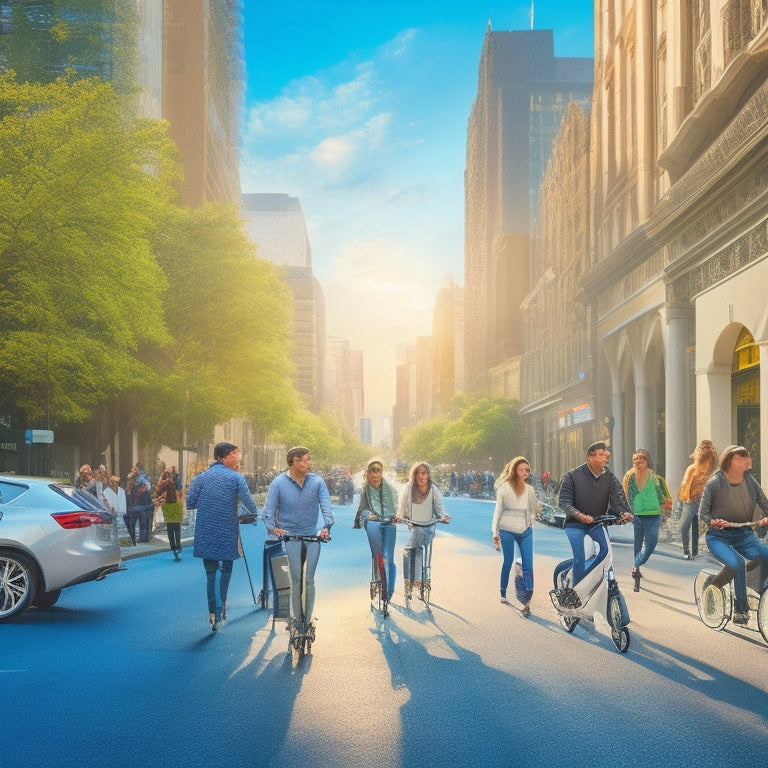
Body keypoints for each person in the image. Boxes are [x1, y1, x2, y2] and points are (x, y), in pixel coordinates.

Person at [187, 442, 260, 631]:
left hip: (205, 532)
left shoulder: (200, 478)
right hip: (227, 530)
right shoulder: (236, 478)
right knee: (225, 569)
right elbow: (250, 505)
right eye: (236, 454)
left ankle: (213, 612)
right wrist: (255, 516)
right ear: (225, 456)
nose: (238, 457)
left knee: (211, 572)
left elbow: (190, 502)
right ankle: (222, 609)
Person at [262, 446, 334, 630]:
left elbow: (326, 506)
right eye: (306, 459)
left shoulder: (317, 482)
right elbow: (268, 512)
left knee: (309, 579)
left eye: (309, 459)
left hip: (312, 536)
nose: (309, 463)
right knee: (295, 579)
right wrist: (274, 529)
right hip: (290, 537)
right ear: (295, 461)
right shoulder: (278, 483)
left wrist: (327, 526)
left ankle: (308, 618)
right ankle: (295, 618)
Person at [698, 445, 768, 624]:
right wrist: (711, 521)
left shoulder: (750, 481)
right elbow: (703, 512)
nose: (745, 460)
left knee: (765, 554)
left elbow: (764, 503)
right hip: (718, 537)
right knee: (736, 563)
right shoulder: (715, 482)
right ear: (729, 460)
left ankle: (758, 591)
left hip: (744, 534)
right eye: (739, 457)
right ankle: (741, 608)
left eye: (746, 457)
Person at [558, 441, 633, 590]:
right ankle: (576, 592)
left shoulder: (609, 477)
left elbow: (619, 500)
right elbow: (564, 502)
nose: (604, 459)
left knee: (605, 554)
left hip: (597, 524)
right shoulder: (572, 476)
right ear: (589, 457)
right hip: (575, 525)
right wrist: (579, 515)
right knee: (580, 558)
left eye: (605, 456)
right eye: (600, 455)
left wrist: (625, 513)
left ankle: (589, 578)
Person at [491, 456, 541, 615]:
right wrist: (495, 532)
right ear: (514, 471)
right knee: (508, 560)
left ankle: (526, 601)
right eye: (522, 470)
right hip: (506, 529)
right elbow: (498, 511)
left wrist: (535, 512)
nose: (526, 472)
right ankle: (503, 591)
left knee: (528, 565)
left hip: (525, 530)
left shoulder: (530, 489)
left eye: (527, 470)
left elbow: (532, 509)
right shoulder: (504, 489)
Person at [622, 449, 672, 592]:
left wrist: (667, 511)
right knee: (637, 543)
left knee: (652, 542)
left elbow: (666, 498)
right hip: (637, 515)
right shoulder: (629, 477)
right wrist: (626, 512)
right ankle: (636, 569)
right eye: (635, 459)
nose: (638, 462)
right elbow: (625, 495)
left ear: (647, 462)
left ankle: (637, 563)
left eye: (641, 459)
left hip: (654, 515)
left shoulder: (656, 479)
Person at [398, 461, 450, 592]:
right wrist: (400, 518)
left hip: (429, 525)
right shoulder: (408, 489)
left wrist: (443, 517)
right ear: (414, 475)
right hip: (414, 525)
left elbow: (439, 508)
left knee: (418, 547)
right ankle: (410, 580)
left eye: (424, 473)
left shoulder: (434, 489)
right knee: (409, 551)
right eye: (419, 473)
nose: (422, 476)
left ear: (428, 475)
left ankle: (420, 579)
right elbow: (402, 508)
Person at [354, 458, 399, 601]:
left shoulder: (390, 489)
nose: (375, 475)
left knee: (389, 557)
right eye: (372, 471)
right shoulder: (364, 490)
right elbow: (362, 510)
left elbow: (396, 507)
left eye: (377, 471)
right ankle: (378, 578)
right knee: (377, 555)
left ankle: (389, 590)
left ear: (381, 473)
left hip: (389, 523)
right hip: (373, 523)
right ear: (368, 473)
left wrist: (395, 516)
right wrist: (368, 515)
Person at [677, 439, 718, 560]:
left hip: (703, 501)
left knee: (697, 527)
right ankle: (686, 550)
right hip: (690, 502)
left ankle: (694, 552)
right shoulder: (692, 469)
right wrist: (684, 499)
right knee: (684, 526)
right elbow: (685, 485)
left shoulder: (712, 470)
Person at [155, 470, 183, 560]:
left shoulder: (166, 483)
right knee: (177, 528)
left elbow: (158, 492)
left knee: (170, 528)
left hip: (169, 506)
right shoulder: (176, 482)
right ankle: (178, 546)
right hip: (176, 506)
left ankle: (174, 547)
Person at [126, 463, 154, 544]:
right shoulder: (134, 478)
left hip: (144, 504)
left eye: (135, 469)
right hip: (137, 504)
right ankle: (138, 538)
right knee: (135, 522)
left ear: (138, 469)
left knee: (144, 522)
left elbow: (146, 488)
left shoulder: (143, 477)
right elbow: (129, 489)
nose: (133, 470)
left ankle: (144, 538)